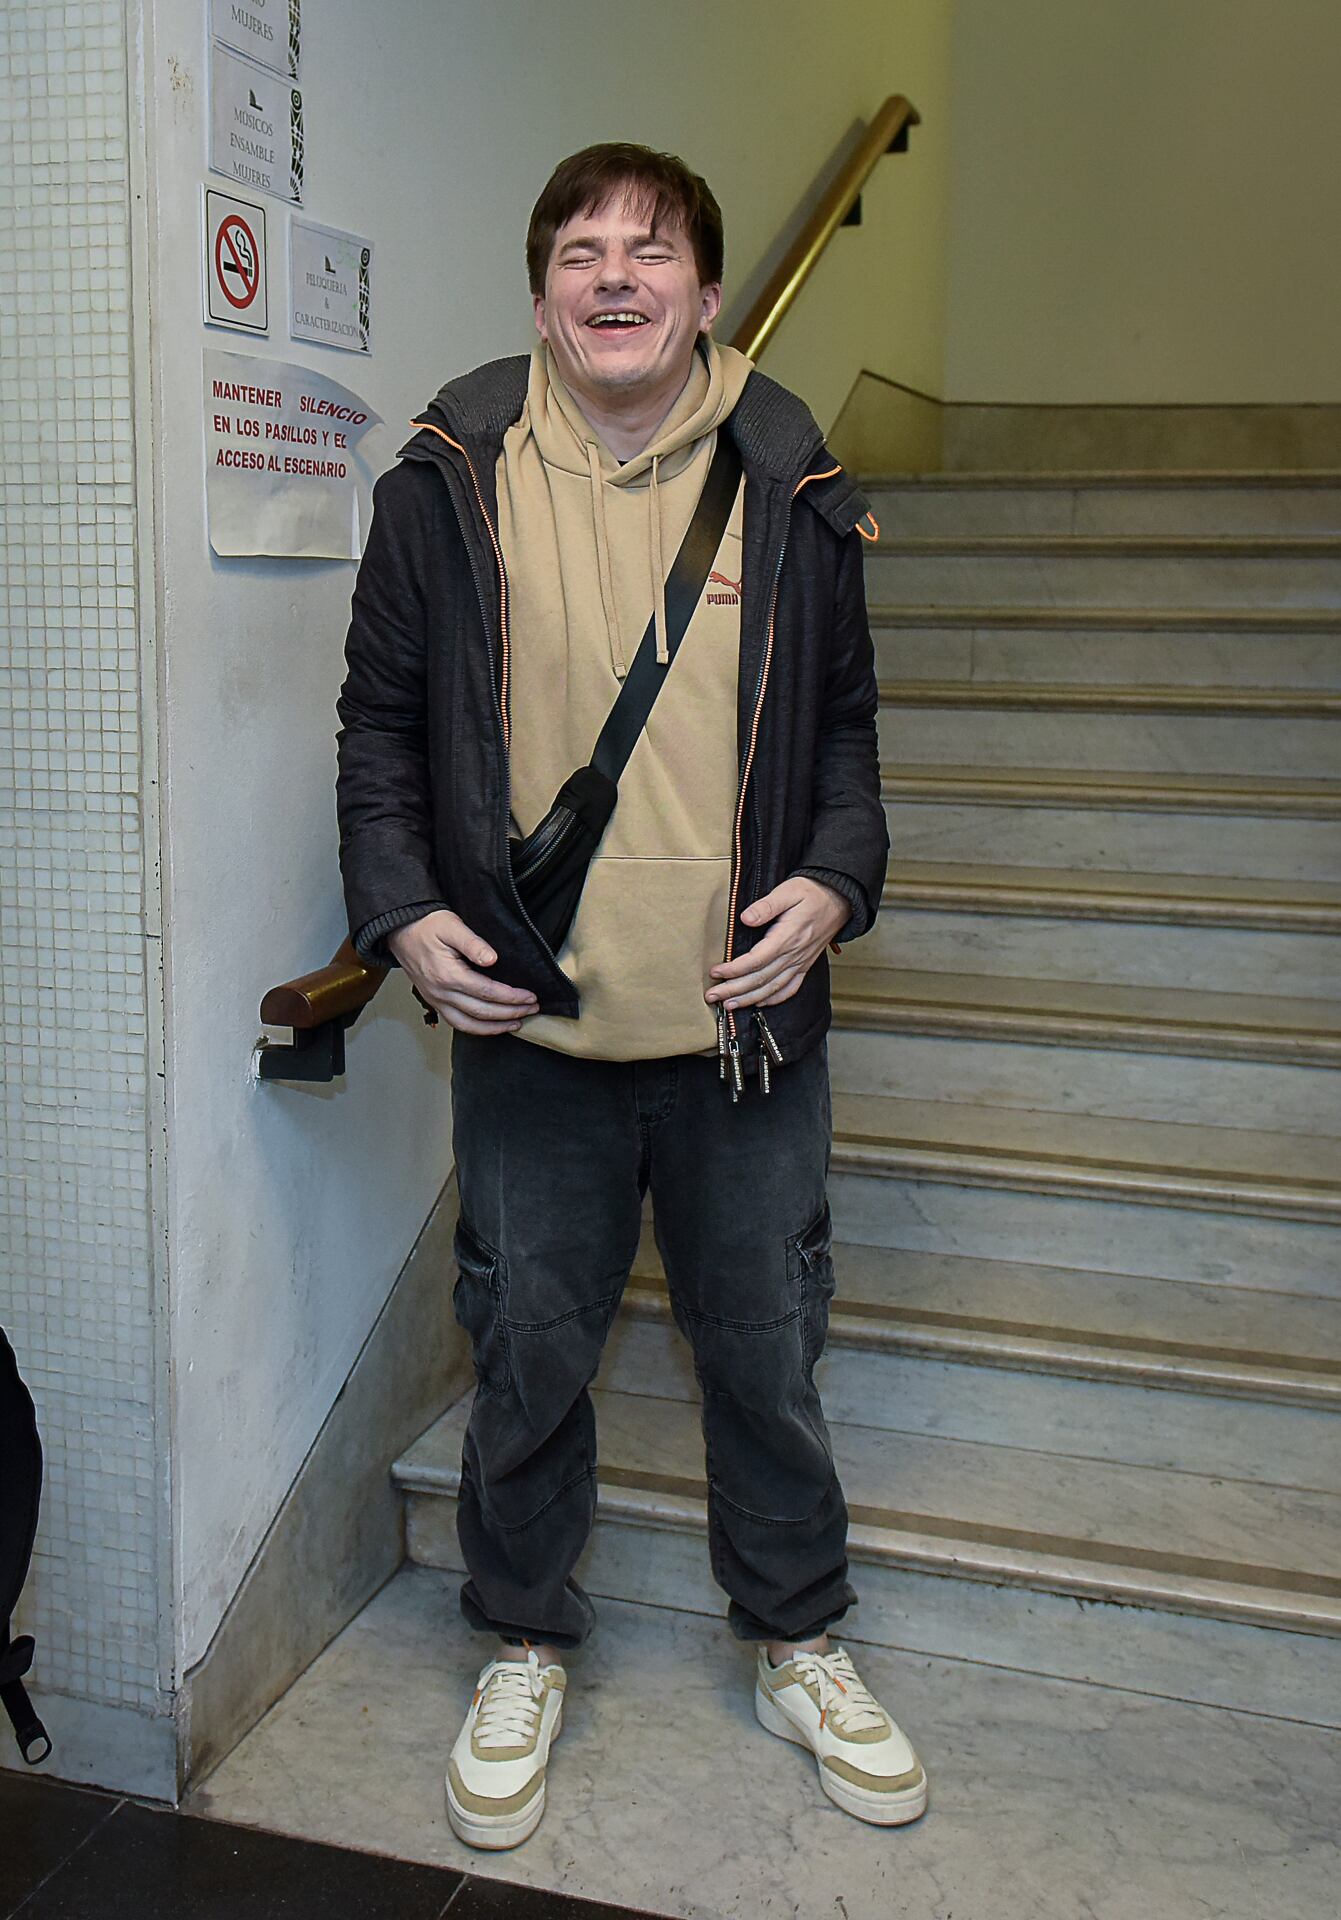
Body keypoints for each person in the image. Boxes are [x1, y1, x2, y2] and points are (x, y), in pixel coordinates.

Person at [335, 141, 925, 1850]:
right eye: (579, 252)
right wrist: (395, 911)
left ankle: (795, 1636)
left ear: (707, 292)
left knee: (763, 1355)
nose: (612, 277)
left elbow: (848, 740)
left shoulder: (795, 484)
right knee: (524, 1355)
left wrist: (834, 881)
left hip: (743, 1033)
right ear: (539, 295)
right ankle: (523, 1634)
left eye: (647, 252)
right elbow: (379, 729)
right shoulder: (445, 480)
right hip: (534, 1028)